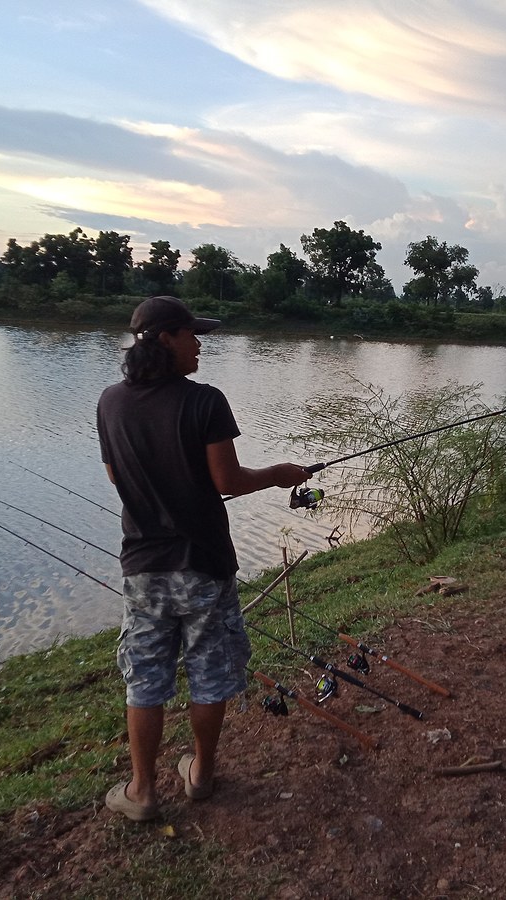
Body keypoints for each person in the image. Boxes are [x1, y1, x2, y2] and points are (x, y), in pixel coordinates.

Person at [96, 295, 310, 821]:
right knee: (210, 672)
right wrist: (280, 474)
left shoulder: (109, 402)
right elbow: (228, 483)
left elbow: (115, 477)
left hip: (144, 566)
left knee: (144, 677)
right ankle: (201, 775)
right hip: (206, 564)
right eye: (193, 336)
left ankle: (142, 792)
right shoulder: (206, 402)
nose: (199, 346)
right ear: (166, 339)